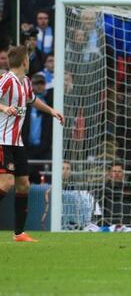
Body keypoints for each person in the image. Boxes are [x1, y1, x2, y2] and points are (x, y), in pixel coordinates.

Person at [0, 45, 64, 242]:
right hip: (2, 140)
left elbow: (32, 100)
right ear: (24, 61)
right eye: (28, 58)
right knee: (7, 183)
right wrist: (3, 107)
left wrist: (51, 111)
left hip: (17, 142)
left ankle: (19, 233)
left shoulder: (26, 82)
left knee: (23, 185)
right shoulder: (6, 80)